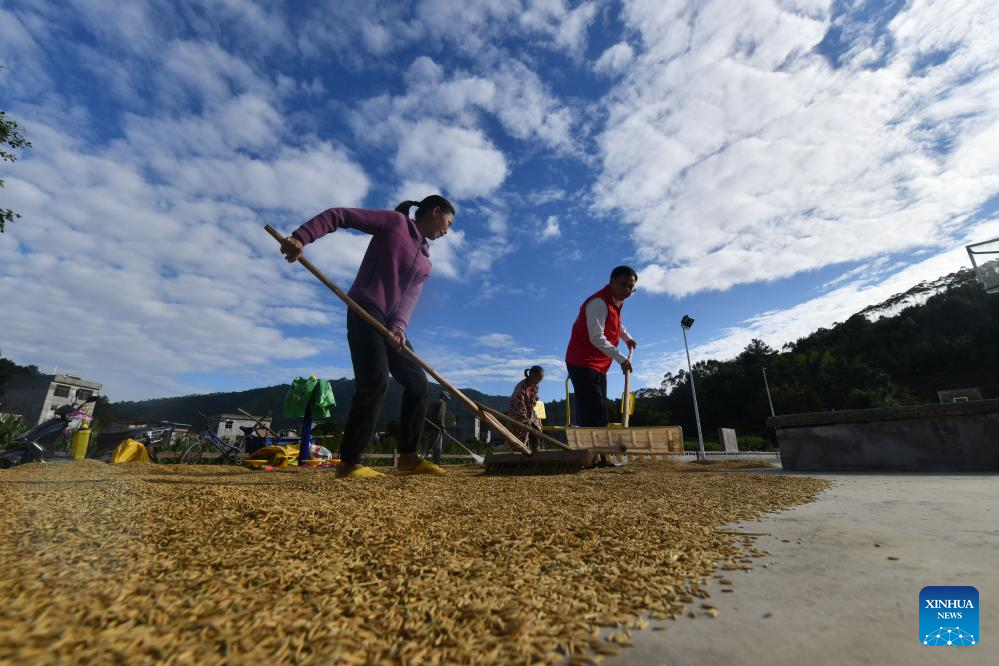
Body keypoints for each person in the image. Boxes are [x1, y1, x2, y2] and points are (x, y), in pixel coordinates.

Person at [280, 195, 455, 479]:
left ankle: (409, 457)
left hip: (391, 324)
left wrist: (399, 327)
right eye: (447, 223)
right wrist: (302, 237)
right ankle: (350, 462)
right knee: (374, 379)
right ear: (434, 212)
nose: (446, 231)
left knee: (417, 383)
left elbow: (409, 298)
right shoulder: (394, 223)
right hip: (364, 308)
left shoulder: (425, 263)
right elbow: (339, 215)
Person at [565, 266, 639, 433]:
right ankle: (598, 457)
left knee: (601, 408)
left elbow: (616, 324)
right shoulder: (598, 302)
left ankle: (600, 455)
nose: (627, 290)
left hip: (599, 364)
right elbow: (596, 337)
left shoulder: (616, 302)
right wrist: (622, 359)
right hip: (582, 362)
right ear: (611, 282)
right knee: (594, 411)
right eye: (623, 285)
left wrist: (627, 338)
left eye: (630, 287)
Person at [505, 366, 544, 452]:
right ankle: (520, 454)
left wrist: (531, 419)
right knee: (521, 433)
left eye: (540, 379)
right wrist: (527, 421)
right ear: (531, 376)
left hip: (529, 412)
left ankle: (535, 451)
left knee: (536, 430)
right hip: (517, 413)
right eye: (537, 379)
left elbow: (534, 398)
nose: (538, 381)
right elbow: (518, 406)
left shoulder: (536, 385)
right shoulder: (520, 388)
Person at [424, 391, 450, 465]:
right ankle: (437, 461)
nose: (447, 400)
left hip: (429, 426)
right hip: (436, 427)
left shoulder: (433, 402)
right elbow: (440, 417)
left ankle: (423, 458)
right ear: (444, 396)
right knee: (437, 444)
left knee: (428, 444)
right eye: (447, 398)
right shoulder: (442, 403)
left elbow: (427, 414)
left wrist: (426, 427)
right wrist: (442, 428)